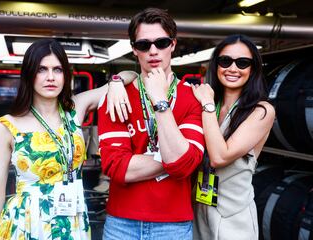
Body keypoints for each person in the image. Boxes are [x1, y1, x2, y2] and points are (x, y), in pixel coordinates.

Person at [0, 39, 136, 240]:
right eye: (42, 69)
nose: (50, 77)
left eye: (58, 70)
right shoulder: (6, 126)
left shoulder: (75, 109)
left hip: (71, 221)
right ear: (29, 74)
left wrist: (115, 83)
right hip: (27, 224)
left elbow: (131, 75)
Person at [97, 8, 205, 240]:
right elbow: (116, 167)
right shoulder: (116, 96)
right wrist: (172, 156)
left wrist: (160, 102)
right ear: (134, 49)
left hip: (173, 226)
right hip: (121, 224)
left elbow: (184, 165)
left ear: (173, 44)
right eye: (144, 45)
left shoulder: (194, 97)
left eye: (161, 42)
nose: (153, 51)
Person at [191, 34, 275, 240]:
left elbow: (220, 157)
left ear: (253, 68)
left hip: (233, 220)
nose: (233, 68)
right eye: (225, 61)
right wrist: (118, 80)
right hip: (198, 212)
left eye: (243, 62)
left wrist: (207, 105)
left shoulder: (262, 110)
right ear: (216, 64)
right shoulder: (208, 102)